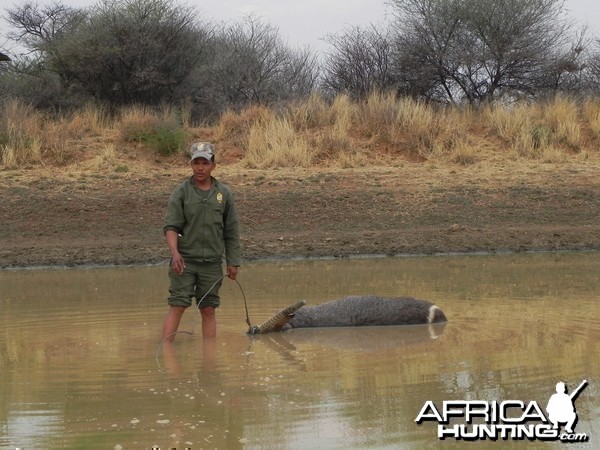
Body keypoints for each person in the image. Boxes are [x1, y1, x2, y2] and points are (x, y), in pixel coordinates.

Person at [161, 142, 241, 341]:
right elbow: (171, 226)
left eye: (204, 163)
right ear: (191, 165)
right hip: (184, 261)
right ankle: (166, 349)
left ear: (213, 165)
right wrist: (175, 253)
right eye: (196, 162)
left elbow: (231, 230)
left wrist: (233, 262)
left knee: (208, 309)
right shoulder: (182, 192)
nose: (200, 168)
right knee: (178, 305)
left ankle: (209, 361)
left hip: (212, 263)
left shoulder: (224, 193)